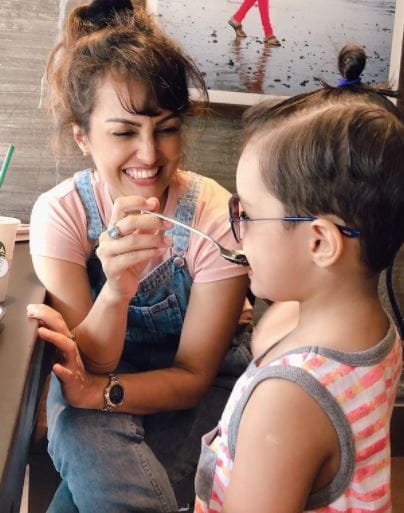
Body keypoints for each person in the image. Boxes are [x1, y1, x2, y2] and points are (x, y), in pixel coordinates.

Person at [28, 0, 253, 511]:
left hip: (197, 386)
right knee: (77, 417)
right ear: (83, 137)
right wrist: (117, 289)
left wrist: (98, 393)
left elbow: (193, 377)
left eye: (166, 128)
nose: (150, 155)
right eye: (125, 132)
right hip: (94, 376)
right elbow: (89, 363)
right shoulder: (62, 215)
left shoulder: (213, 218)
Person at [192, 45, 404, 512]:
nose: (236, 228)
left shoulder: (287, 400)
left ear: (320, 243)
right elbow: (274, 328)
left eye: (247, 214)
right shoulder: (367, 326)